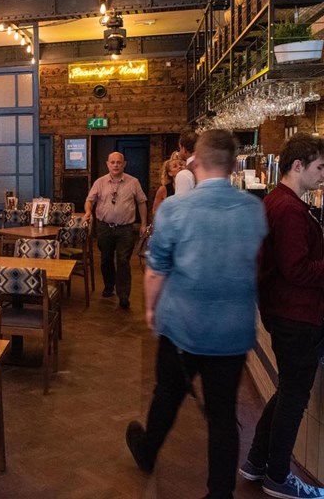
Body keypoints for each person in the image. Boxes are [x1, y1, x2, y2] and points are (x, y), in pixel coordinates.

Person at [125, 129, 268, 499]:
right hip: (233, 331)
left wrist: (152, 310)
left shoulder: (175, 208)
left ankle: (147, 449)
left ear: (195, 161)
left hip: (182, 325)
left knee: (167, 394)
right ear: (234, 164)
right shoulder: (254, 209)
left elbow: (156, 270)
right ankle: (219, 493)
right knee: (223, 416)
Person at [239, 133, 324, 499]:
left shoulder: (278, 201)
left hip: (283, 311)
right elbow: (297, 270)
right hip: (297, 314)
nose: (323, 175)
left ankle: (257, 461)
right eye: (320, 167)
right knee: (294, 397)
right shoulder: (289, 209)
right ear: (298, 166)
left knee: (287, 390)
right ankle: (278, 475)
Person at [83, 151, 148, 308]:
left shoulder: (133, 182)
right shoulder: (100, 182)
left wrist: (144, 224)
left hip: (125, 229)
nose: (116, 165)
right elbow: (89, 200)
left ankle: (124, 294)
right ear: (107, 164)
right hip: (104, 228)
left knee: (123, 260)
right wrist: (88, 211)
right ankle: (108, 286)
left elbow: (141, 203)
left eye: (119, 162)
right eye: (112, 162)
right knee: (106, 259)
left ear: (124, 164)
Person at [174, 128, 198, 196]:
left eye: (180, 148)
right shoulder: (210, 166)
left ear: (184, 149)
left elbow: (181, 204)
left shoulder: (184, 174)